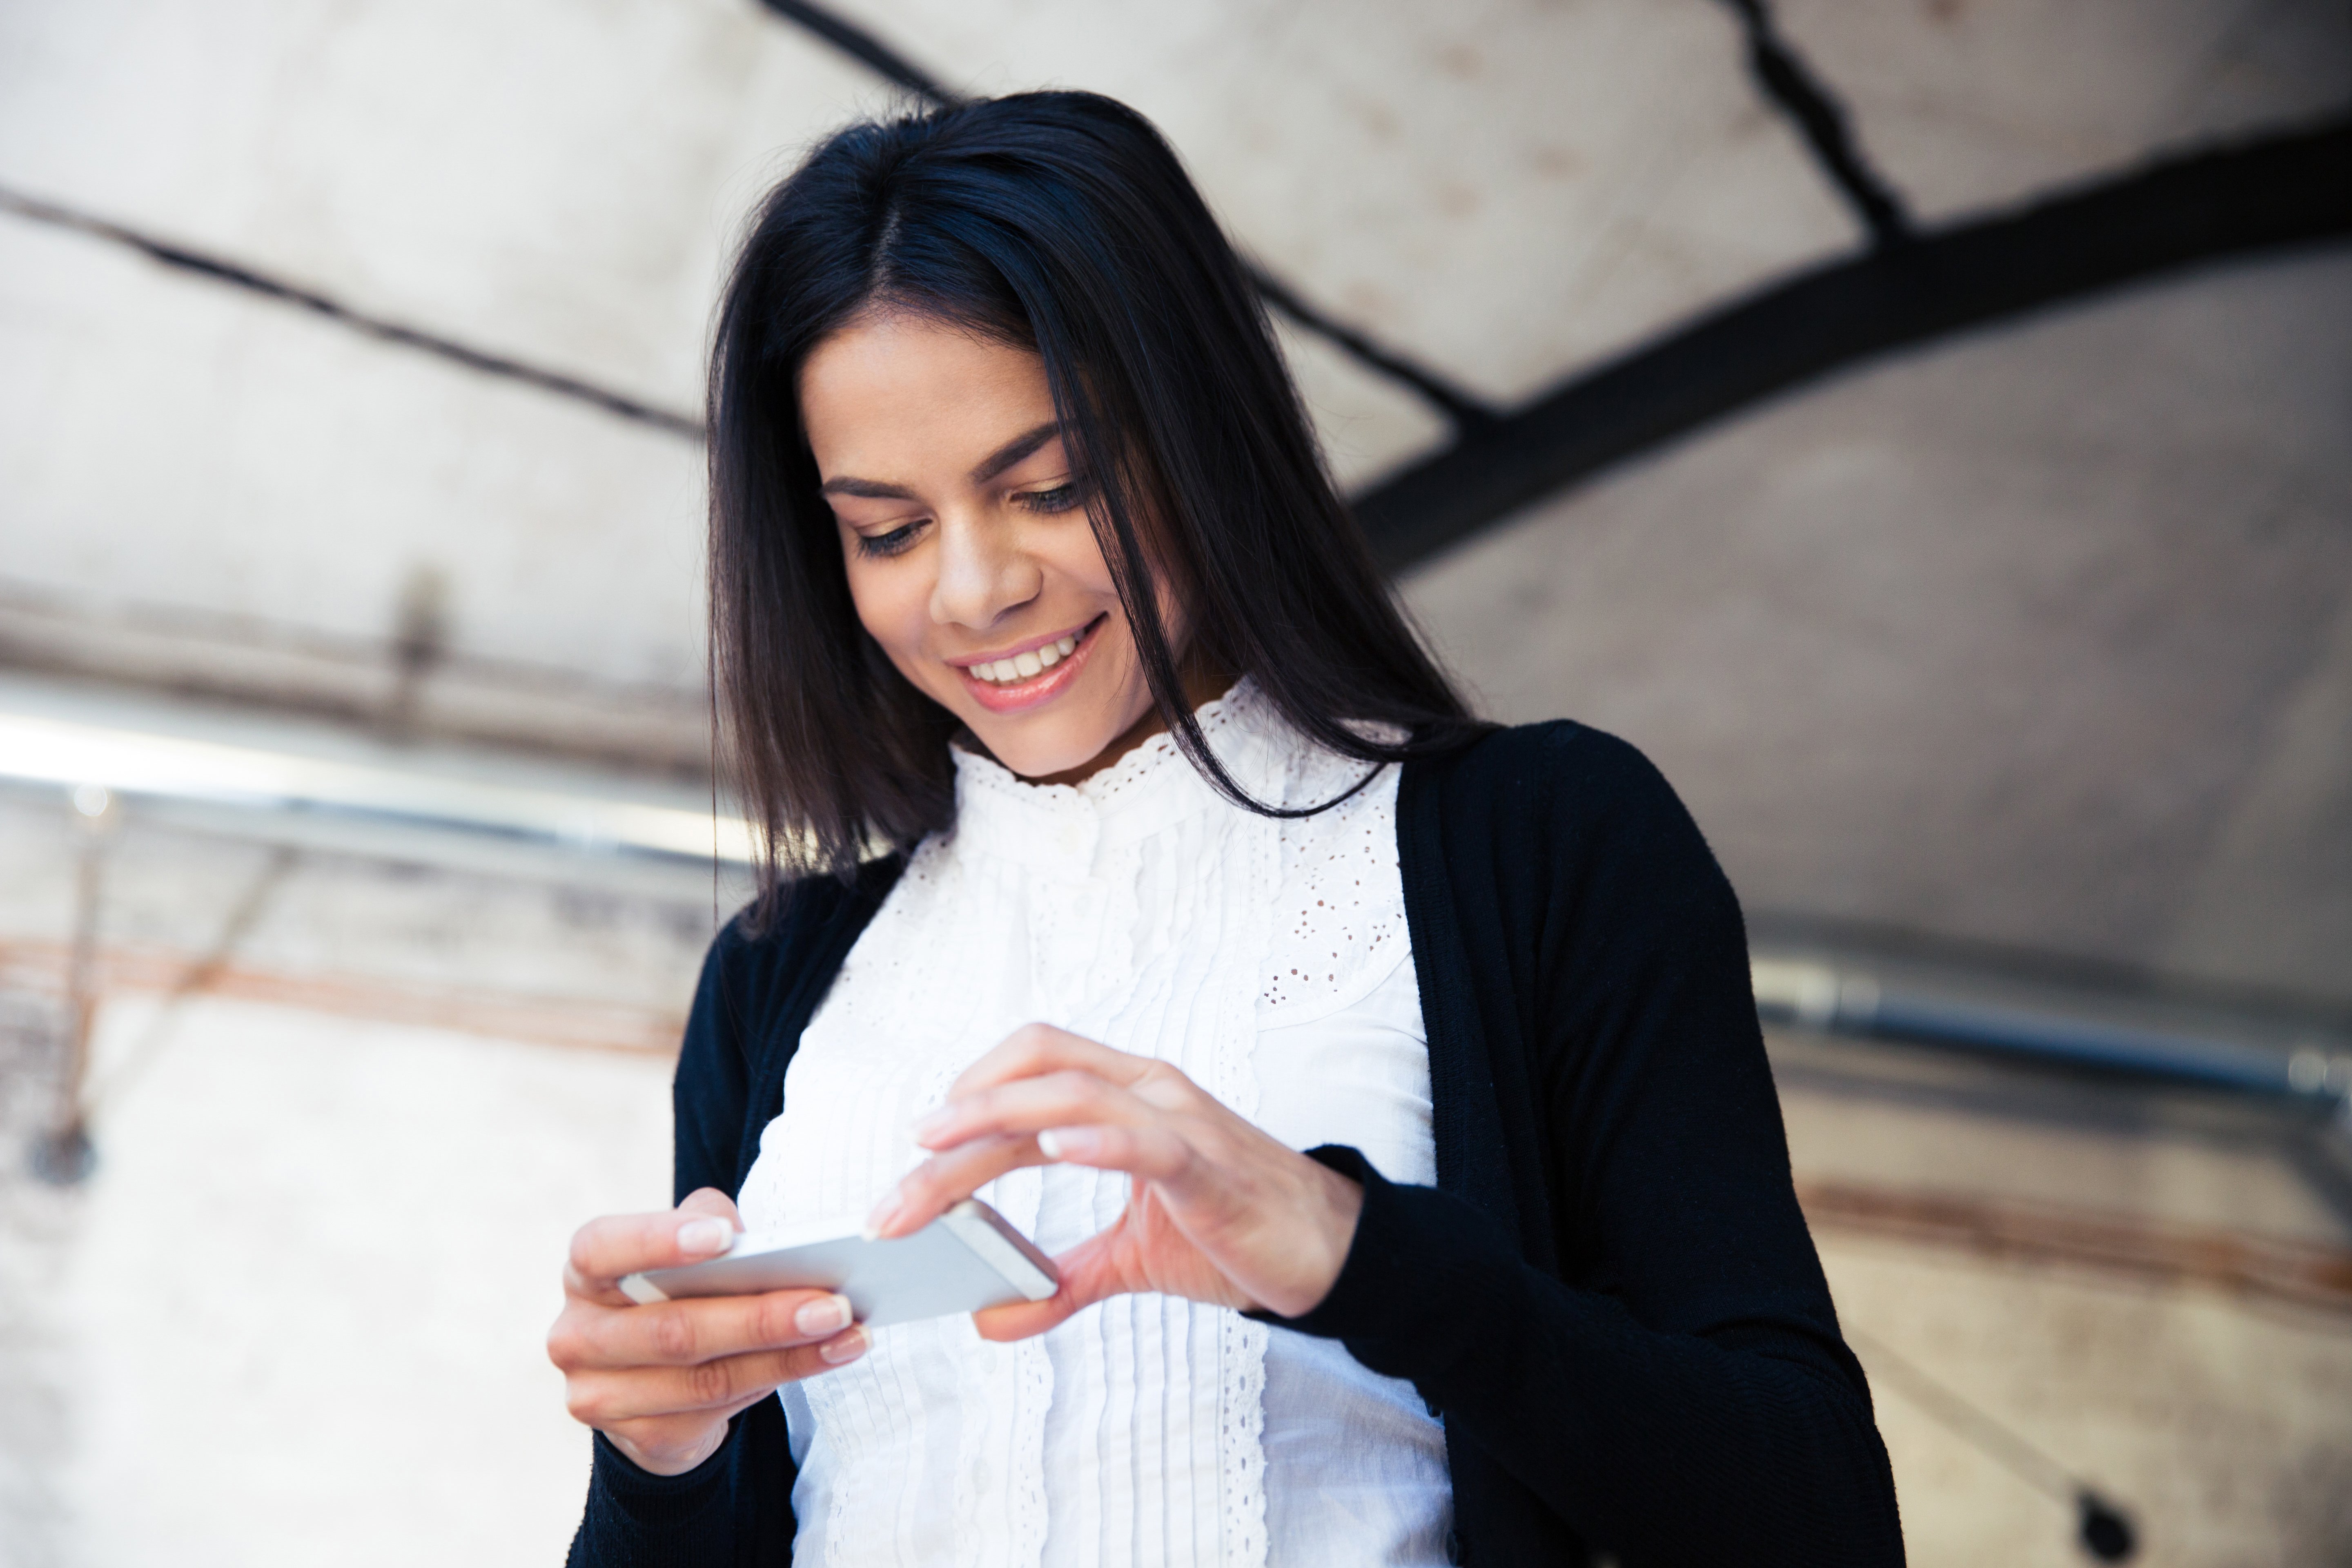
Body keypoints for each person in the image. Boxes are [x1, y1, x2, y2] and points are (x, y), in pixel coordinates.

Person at [551, 90, 1904, 1567]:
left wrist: (1353, 1253)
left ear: (1200, 432)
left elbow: (1817, 1515)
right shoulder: (781, 976)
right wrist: (660, 1464)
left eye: (1051, 486)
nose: (972, 590)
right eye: (887, 528)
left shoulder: (1540, 844)